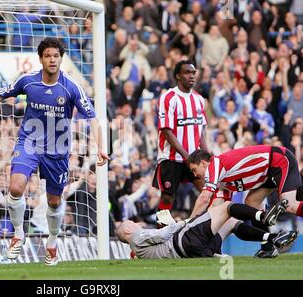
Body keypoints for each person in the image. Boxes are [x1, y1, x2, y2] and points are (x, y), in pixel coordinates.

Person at [0, 37, 109, 266]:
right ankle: (18, 234)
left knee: (54, 201)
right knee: (15, 187)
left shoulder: (71, 87)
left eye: (56, 56)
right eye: (48, 56)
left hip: (57, 150)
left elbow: (92, 117)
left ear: (61, 59)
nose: (52, 60)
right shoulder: (28, 81)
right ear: (41, 59)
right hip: (29, 143)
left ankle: (52, 241)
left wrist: (101, 146)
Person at [187, 146, 303, 257]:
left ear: (203, 163)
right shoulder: (221, 181)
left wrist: (188, 224)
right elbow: (216, 208)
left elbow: (204, 198)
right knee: (252, 203)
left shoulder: (214, 165)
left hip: (279, 160)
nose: (195, 175)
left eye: (194, 170)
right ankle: (268, 248)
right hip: (268, 172)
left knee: (290, 205)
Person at [116, 200, 296, 259]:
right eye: (131, 223)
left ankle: (271, 240)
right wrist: (181, 222)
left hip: (198, 252)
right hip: (186, 240)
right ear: (127, 232)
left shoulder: (138, 252)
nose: (135, 223)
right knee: (227, 206)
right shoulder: (137, 236)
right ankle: (262, 217)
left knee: (231, 222)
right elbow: (162, 234)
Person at [152, 60, 208, 213]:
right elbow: (166, 130)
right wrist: (186, 156)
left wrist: (207, 154)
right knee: (167, 197)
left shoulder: (198, 99)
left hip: (194, 158)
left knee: (207, 192)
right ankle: (160, 233)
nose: (191, 76)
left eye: (193, 73)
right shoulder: (169, 97)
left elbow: (201, 129)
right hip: (171, 158)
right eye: (187, 73)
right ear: (178, 76)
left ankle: (205, 231)